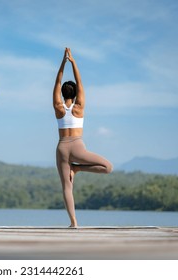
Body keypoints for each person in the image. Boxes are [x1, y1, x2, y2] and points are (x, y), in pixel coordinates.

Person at [53, 47, 113, 228]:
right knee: (108, 167)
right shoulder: (80, 106)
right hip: (78, 147)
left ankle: (73, 222)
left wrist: (63, 63)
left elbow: (57, 81)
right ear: (76, 93)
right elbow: (80, 82)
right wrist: (73, 62)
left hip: (62, 148)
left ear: (63, 94)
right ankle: (78, 169)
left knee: (66, 187)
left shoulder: (58, 106)